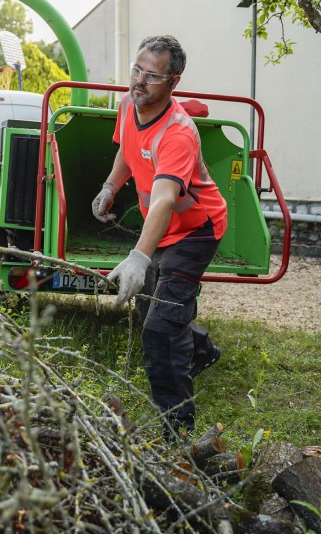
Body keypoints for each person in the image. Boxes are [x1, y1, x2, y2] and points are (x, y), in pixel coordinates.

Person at [91, 35, 227, 440]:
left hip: (196, 231)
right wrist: (111, 187)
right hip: (163, 229)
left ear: (173, 82)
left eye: (151, 76)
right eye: (136, 70)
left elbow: (167, 198)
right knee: (155, 307)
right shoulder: (128, 105)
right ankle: (202, 351)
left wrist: (137, 258)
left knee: (159, 332)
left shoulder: (178, 133)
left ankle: (178, 434)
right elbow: (126, 152)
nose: (139, 81)